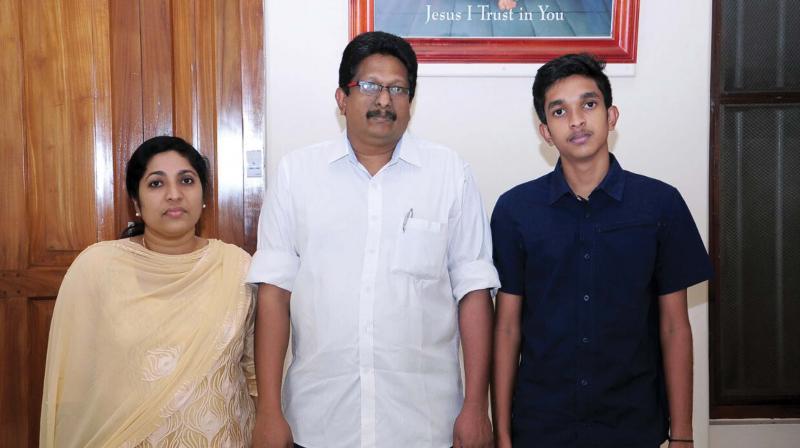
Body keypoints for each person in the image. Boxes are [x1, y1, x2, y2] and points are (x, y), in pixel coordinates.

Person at [247, 31, 499, 448]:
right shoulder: (297, 175)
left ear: (411, 102)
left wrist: (476, 408)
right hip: (320, 421)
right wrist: (269, 412)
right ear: (342, 98)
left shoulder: (449, 174)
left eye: (398, 89)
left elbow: (473, 293)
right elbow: (274, 294)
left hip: (424, 424)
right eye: (369, 86)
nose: (384, 100)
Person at [491, 54, 713, 448]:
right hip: (542, 427)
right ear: (545, 131)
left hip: (633, 424)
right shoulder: (515, 211)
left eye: (588, 105)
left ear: (611, 116)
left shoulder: (660, 205)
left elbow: (675, 326)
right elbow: (507, 327)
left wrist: (682, 435)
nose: (576, 120)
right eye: (560, 111)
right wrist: (503, 434)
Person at [40, 136, 257, 447]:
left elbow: (253, 371)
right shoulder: (98, 268)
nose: (173, 194)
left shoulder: (235, 266)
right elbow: (72, 386)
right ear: (136, 203)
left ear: (204, 196)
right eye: (156, 184)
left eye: (186, 180)